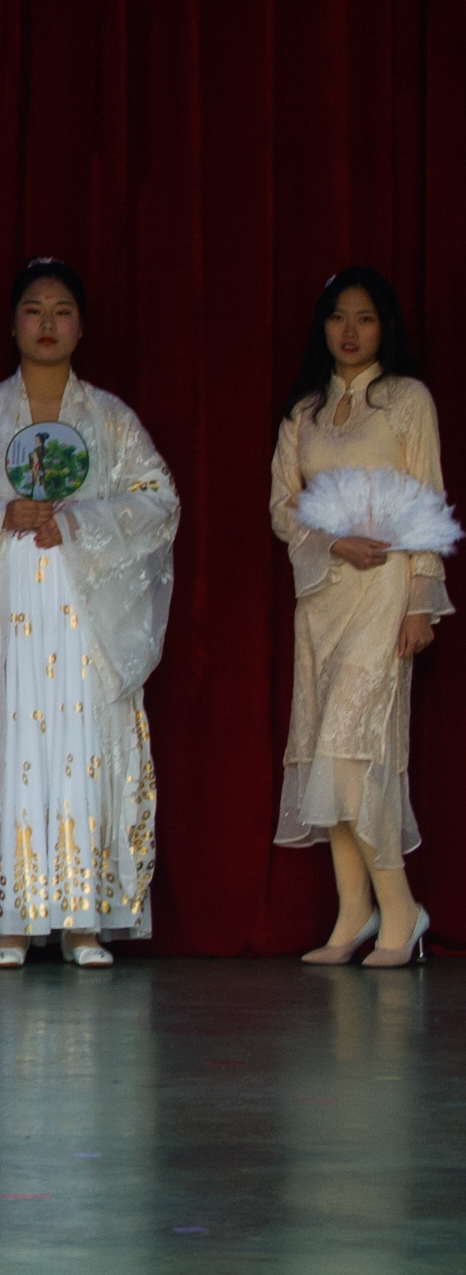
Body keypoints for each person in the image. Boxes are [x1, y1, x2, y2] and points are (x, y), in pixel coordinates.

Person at [0, 259, 178, 968]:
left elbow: (159, 501)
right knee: (8, 747)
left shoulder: (111, 420)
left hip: (83, 611)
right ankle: (11, 917)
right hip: (3, 610)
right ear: (13, 324)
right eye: (35, 309)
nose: (49, 323)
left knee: (79, 743)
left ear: (81, 326)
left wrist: (83, 523)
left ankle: (82, 919)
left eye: (63, 311)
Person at [269, 267, 448, 965]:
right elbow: (282, 507)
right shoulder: (305, 411)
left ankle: (400, 910)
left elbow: (428, 498)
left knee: (357, 750)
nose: (349, 331)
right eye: (338, 317)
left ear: (385, 328)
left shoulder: (406, 400)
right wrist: (331, 541)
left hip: (384, 591)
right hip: (322, 596)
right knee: (324, 750)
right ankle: (353, 912)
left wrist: (422, 601)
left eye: (365, 318)